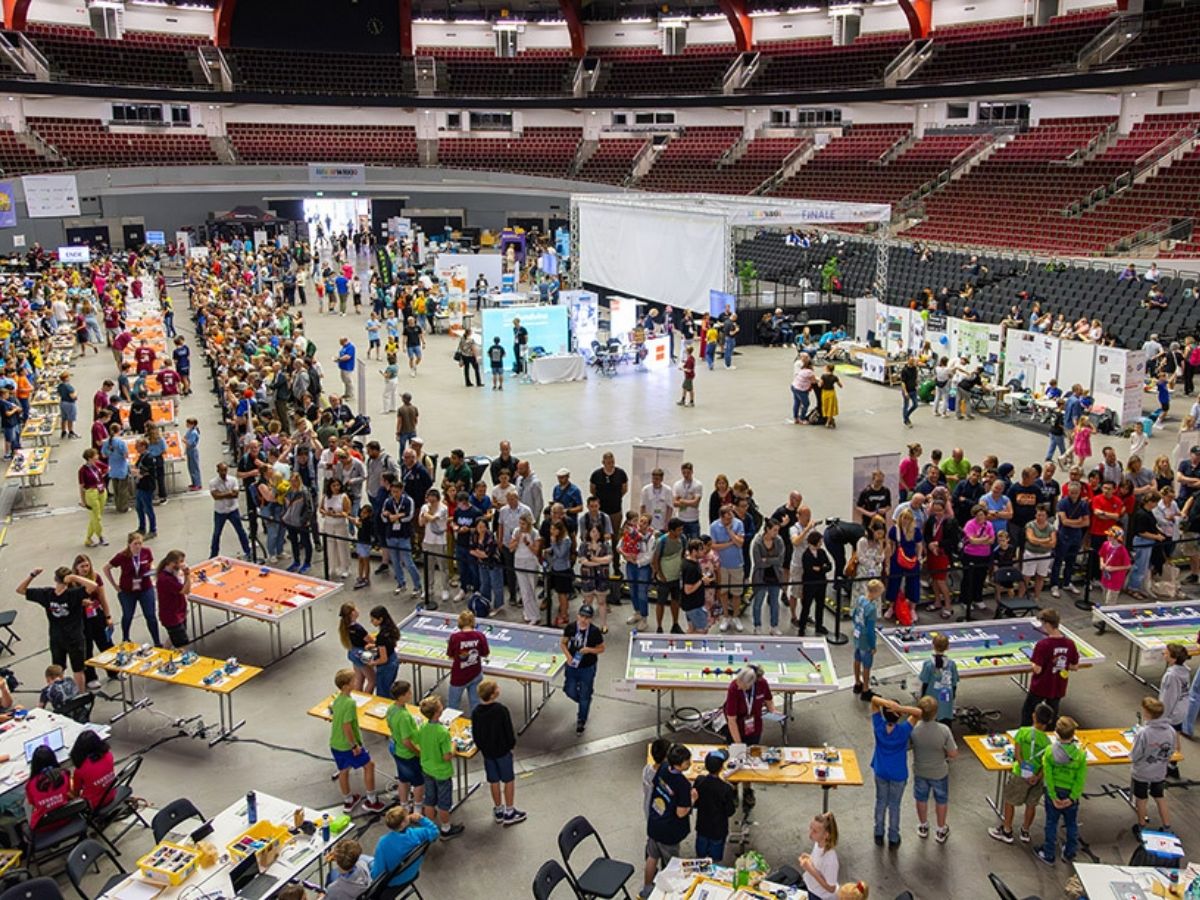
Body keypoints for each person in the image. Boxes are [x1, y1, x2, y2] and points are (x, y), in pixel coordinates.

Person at [18, 566, 96, 693]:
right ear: (69, 580)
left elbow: (21, 590)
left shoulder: (46, 594)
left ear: (55, 578)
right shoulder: (74, 594)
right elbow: (93, 585)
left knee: (58, 669)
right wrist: (75, 577)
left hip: (56, 637)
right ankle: (80, 697)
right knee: (78, 670)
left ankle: (60, 695)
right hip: (74, 637)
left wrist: (32, 575)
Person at [989, 701, 1055, 845]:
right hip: (1037, 778)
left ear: (1033, 716)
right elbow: (1045, 763)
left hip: (1021, 774)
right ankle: (1025, 831)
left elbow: (1018, 754)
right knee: (1031, 804)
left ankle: (1007, 830)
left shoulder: (1023, 732)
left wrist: (1026, 773)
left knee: (1010, 801)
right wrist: (1037, 776)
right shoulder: (1048, 743)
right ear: (1049, 722)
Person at [329, 669, 386, 813]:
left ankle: (348, 799)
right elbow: (347, 726)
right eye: (353, 681)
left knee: (343, 770)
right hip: (347, 745)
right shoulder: (349, 703)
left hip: (335, 743)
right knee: (369, 765)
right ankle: (371, 800)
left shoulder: (337, 700)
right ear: (346, 686)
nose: (356, 682)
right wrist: (354, 745)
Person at [643, 743, 695, 897]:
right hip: (669, 831)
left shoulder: (663, 767)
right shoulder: (683, 784)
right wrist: (692, 800)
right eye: (687, 761)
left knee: (652, 857)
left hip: (655, 822)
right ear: (680, 764)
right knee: (671, 865)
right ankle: (664, 894)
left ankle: (646, 887)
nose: (690, 763)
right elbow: (681, 813)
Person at [1034, 716, 1087, 866]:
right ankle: (1070, 853)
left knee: (1051, 823)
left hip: (1054, 793)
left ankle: (1049, 853)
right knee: (1071, 824)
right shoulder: (1080, 755)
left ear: (1056, 732)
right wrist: (1072, 797)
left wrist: (1052, 795)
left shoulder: (1049, 752)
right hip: (1070, 793)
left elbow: (1048, 776)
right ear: (1073, 734)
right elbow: (1080, 779)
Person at [471, 679, 524, 826]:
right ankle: (510, 810)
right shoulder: (501, 710)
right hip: (503, 751)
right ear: (493, 694)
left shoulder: (476, 712)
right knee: (508, 780)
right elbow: (508, 730)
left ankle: (498, 809)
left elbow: (476, 734)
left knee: (493, 781)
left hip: (488, 753)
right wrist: (511, 745)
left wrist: (482, 747)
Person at [869, 695, 920, 848]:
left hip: (881, 770)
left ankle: (878, 831)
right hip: (898, 773)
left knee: (880, 801)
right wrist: (900, 708)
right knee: (894, 805)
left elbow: (873, 700)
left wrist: (887, 703)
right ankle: (893, 835)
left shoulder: (878, 726)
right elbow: (918, 712)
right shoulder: (904, 730)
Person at [910, 696, 958, 843]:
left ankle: (923, 825)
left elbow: (907, 746)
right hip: (939, 772)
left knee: (921, 798)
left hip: (920, 770)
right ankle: (941, 828)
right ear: (936, 713)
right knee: (941, 800)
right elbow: (953, 753)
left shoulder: (914, 729)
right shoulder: (944, 730)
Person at [417, 694, 465, 839]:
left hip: (427, 768)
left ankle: (431, 826)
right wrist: (454, 746)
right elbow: (446, 756)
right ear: (438, 712)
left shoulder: (423, 727)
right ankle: (446, 828)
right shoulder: (442, 732)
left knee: (430, 799)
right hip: (441, 772)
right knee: (444, 802)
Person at [1021, 608, 1080, 726]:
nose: (1042, 627)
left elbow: (1037, 669)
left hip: (1041, 686)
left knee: (1028, 712)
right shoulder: (1070, 643)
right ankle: (1051, 735)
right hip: (1058, 685)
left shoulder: (1043, 645)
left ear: (1047, 624)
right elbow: (1075, 666)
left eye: (1042, 624)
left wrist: (1031, 661)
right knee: (1052, 715)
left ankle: (1026, 734)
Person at [104, 531, 161, 646]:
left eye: (140, 543)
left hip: (145, 588)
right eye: (135, 544)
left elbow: (151, 563)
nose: (138, 546)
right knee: (128, 615)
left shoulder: (146, 552)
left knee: (150, 615)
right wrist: (115, 586)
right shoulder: (122, 556)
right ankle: (125, 638)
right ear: (129, 544)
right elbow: (106, 568)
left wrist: (152, 571)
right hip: (127, 591)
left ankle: (157, 641)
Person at [1131, 696, 1179, 832]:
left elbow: (1136, 754)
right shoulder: (1170, 731)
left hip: (1142, 772)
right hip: (1159, 771)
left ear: (1147, 714)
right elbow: (1171, 750)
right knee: (1159, 796)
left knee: (1141, 798)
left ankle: (1141, 825)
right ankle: (1167, 825)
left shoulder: (1144, 733)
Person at [370, 806, 439, 887]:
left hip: (392, 881)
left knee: (365, 861)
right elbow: (434, 831)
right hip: (412, 872)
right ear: (403, 823)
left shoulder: (383, 843)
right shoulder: (417, 834)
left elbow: (377, 875)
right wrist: (421, 818)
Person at [561, 604, 604, 734]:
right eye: (582, 616)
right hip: (572, 666)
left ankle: (581, 719)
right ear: (578, 615)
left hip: (587, 667)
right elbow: (563, 643)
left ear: (591, 619)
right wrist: (568, 657)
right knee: (569, 690)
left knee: (585, 694)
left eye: (587, 617)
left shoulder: (594, 632)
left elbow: (601, 648)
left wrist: (589, 650)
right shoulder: (571, 627)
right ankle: (584, 701)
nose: (584, 619)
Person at [692, 750, 735, 863]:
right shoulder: (726, 788)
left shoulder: (699, 781)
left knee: (700, 856)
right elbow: (730, 811)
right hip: (718, 829)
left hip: (702, 826)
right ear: (721, 768)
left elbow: (695, 802)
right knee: (715, 860)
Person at [386, 680, 422, 810]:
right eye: (408, 693)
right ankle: (418, 807)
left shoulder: (391, 708)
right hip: (408, 753)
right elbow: (407, 741)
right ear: (401, 696)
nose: (411, 694)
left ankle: (404, 805)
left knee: (403, 778)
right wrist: (418, 752)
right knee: (419, 782)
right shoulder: (404, 717)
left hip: (396, 748)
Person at [447, 610, 489, 713]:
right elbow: (485, 653)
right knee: (475, 705)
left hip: (459, 676)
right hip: (476, 673)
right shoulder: (480, 636)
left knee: (452, 706)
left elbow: (450, 656)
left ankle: (450, 727)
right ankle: (476, 726)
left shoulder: (455, 637)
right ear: (473, 622)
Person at [209, 462, 252, 559]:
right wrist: (229, 493)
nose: (223, 472)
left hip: (233, 510)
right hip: (220, 511)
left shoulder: (233, 480)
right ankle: (213, 554)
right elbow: (216, 496)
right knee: (217, 533)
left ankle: (248, 551)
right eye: (221, 470)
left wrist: (222, 494)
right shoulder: (213, 482)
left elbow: (235, 494)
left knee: (240, 531)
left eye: (225, 470)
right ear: (218, 471)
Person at [750, 519, 784, 635]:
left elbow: (780, 560)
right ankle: (757, 625)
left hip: (775, 576)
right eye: (774, 530)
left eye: (777, 530)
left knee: (775, 603)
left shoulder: (779, 541)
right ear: (767, 529)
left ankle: (774, 626)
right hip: (761, 577)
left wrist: (767, 560)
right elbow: (758, 562)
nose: (776, 533)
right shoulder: (758, 543)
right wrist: (772, 560)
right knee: (758, 603)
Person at [651, 518, 686, 634]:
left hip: (676, 578)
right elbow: (655, 560)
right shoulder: (662, 541)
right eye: (679, 530)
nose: (681, 532)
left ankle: (675, 624)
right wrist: (660, 575)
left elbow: (683, 555)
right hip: (664, 579)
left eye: (682, 529)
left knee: (676, 601)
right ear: (671, 530)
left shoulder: (683, 539)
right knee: (661, 602)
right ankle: (659, 627)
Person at [25, 745, 70, 831]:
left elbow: (33, 803)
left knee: (26, 804)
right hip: (66, 817)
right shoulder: (64, 774)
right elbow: (67, 791)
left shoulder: (30, 784)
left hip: (43, 827)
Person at [918, 634, 959, 726]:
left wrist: (922, 697)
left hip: (932, 695)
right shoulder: (951, 664)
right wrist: (953, 696)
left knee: (931, 715)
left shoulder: (928, 664)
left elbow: (925, 682)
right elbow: (954, 683)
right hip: (946, 695)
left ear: (933, 645)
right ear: (948, 647)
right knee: (945, 715)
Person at [799, 812, 840, 900]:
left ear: (826, 835)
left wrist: (810, 870)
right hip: (812, 889)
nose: (810, 833)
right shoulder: (818, 844)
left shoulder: (831, 860)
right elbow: (818, 864)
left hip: (821, 896)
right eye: (810, 828)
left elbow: (831, 888)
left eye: (815, 831)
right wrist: (809, 858)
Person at [70, 729, 115, 809]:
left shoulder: (81, 770)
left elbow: (75, 793)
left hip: (92, 805)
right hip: (111, 794)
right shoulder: (109, 755)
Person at [799, 529, 832, 636]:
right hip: (809, 585)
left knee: (820, 606)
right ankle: (802, 627)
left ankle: (819, 626)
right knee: (806, 606)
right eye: (820, 542)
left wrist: (820, 569)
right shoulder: (806, 555)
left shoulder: (822, 552)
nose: (821, 543)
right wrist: (821, 568)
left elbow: (829, 565)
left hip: (821, 583)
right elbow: (809, 569)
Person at [155, 549, 191, 648]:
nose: (183, 564)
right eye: (181, 562)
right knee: (182, 645)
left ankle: (163, 653)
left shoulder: (170, 574)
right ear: (173, 563)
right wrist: (187, 575)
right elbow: (185, 590)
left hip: (178, 613)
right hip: (172, 617)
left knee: (173, 637)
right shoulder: (166, 579)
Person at [852, 579, 881, 701]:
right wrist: (873, 645)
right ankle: (865, 689)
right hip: (865, 639)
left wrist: (857, 626)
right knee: (867, 664)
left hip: (857, 634)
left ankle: (857, 682)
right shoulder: (872, 608)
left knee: (857, 658)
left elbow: (854, 614)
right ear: (875, 593)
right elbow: (870, 630)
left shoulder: (860, 599)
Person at [339, 602, 374, 695]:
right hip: (362, 654)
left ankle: (358, 698)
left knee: (359, 679)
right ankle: (366, 698)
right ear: (352, 613)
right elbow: (370, 640)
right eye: (355, 608)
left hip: (353, 652)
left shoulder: (345, 626)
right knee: (372, 680)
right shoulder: (358, 628)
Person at [78, 448, 109, 548]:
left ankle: (88, 538)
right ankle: (100, 536)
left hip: (101, 490)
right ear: (89, 458)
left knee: (95, 516)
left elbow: (107, 468)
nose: (98, 457)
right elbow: (82, 486)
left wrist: (102, 477)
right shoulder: (82, 470)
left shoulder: (98, 465)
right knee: (97, 516)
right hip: (91, 492)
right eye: (95, 456)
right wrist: (83, 500)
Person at [367, 606, 400, 698]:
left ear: (380, 619)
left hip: (386, 666)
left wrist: (372, 663)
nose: (371, 622)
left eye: (373, 619)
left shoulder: (381, 636)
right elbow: (388, 645)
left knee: (383, 692)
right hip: (393, 659)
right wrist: (375, 645)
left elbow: (383, 659)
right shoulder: (391, 629)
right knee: (389, 687)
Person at [1098, 526, 1132, 605]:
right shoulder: (1106, 544)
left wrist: (1113, 568)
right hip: (1106, 576)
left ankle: (1109, 614)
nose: (1108, 537)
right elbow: (1101, 555)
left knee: (1110, 600)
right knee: (1104, 596)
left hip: (1116, 578)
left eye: (1111, 536)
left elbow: (1128, 565)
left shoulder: (1122, 550)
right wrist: (1101, 563)